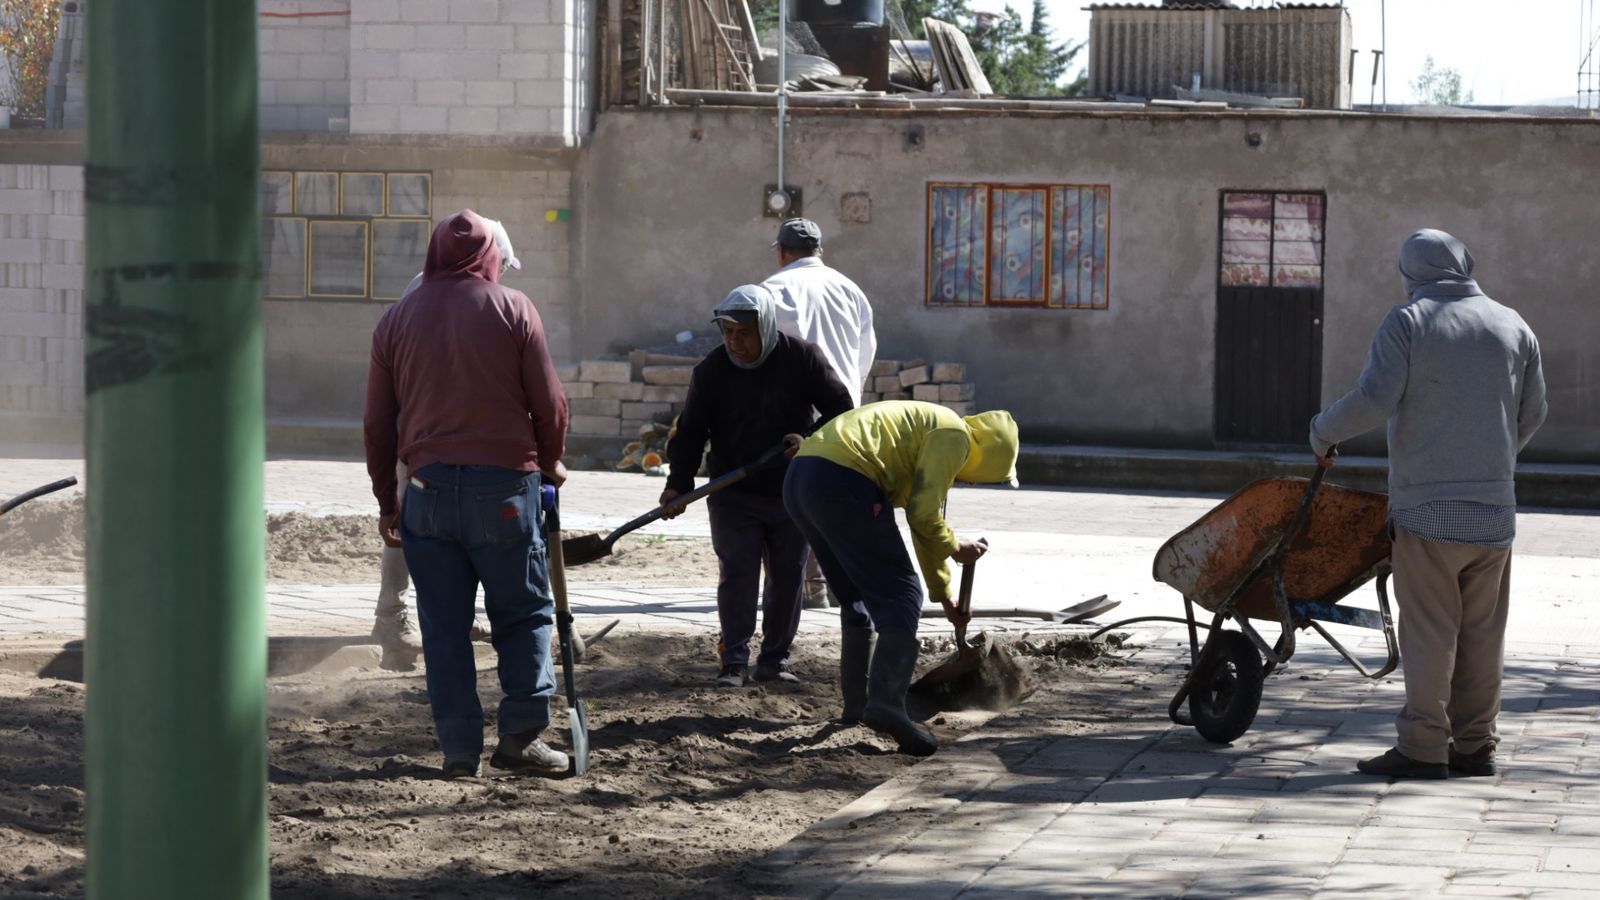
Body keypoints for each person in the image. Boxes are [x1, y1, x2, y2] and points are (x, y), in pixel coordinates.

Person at [1310, 228, 1546, 780]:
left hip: (1426, 511)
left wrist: (1323, 432)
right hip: (1494, 511)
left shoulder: (1409, 322)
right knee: (1484, 633)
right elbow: (1533, 413)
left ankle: (1422, 748)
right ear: (1465, 263)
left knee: (1431, 632)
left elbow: (1375, 397)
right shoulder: (1513, 324)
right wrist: (1493, 459)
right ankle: (1475, 746)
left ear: (1410, 271)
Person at [364, 209, 572, 779]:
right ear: (490, 256)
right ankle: (522, 737)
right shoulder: (513, 308)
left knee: (443, 624)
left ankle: (458, 750)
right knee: (525, 613)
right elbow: (550, 404)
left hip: (426, 494)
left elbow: (378, 423)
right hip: (504, 490)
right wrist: (549, 461)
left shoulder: (397, 318)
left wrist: (388, 499)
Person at [782, 401, 1019, 756]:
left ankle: (857, 707)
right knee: (903, 597)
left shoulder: (930, 433)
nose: (971, 480)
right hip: (844, 479)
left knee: (855, 596)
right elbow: (926, 517)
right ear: (991, 458)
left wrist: (945, 597)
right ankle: (888, 706)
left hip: (803, 478)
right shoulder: (955, 437)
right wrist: (957, 547)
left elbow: (923, 524)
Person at [661, 284, 854, 687]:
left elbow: (842, 409)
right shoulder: (711, 371)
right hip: (733, 492)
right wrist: (677, 485)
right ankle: (733, 662)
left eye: (744, 333)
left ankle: (775, 660)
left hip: (792, 492)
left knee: (788, 577)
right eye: (728, 333)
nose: (735, 342)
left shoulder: (801, 358)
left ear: (765, 327)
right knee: (738, 574)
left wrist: (810, 441)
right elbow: (690, 432)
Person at [371, 219, 521, 664]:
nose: (503, 276)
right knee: (405, 522)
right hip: (421, 432)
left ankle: (451, 611)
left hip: (449, 431)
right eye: (503, 266)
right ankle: (392, 614)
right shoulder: (427, 293)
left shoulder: (466, 292)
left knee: (451, 526)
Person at [761, 217, 878, 609]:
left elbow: (761, 355)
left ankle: (801, 586)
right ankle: (824, 584)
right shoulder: (851, 289)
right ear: (820, 251)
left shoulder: (771, 289)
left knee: (790, 497)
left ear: (781, 252)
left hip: (793, 410)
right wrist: (851, 397)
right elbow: (866, 351)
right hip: (843, 408)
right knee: (828, 494)